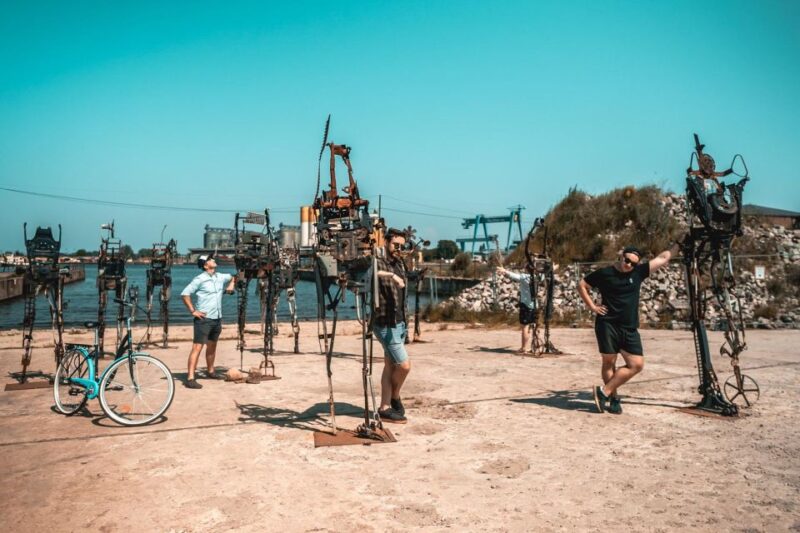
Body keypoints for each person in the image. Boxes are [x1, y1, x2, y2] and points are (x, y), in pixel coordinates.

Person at [577, 244, 676, 414]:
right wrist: (593, 307)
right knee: (609, 362)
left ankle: (603, 392)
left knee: (636, 364)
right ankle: (613, 398)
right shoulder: (605, 273)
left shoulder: (638, 272)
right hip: (607, 324)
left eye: (633, 263)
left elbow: (663, 258)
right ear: (621, 256)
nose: (628, 265)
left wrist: (680, 245)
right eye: (627, 260)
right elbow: (582, 285)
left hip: (629, 327)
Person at [373, 228, 411, 424]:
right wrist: (391, 276)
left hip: (399, 322)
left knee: (389, 366)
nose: (398, 248)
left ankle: (384, 407)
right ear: (386, 242)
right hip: (385, 323)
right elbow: (371, 271)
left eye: (401, 246)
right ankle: (395, 396)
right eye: (395, 244)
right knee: (404, 366)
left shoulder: (400, 263)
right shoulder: (379, 260)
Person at [180, 255, 235, 389]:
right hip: (203, 319)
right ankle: (190, 378)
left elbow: (235, 275)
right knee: (197, 348)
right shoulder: (200, 279)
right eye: (210, 259)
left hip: (217, 318)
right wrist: (193, 311)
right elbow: (185, 294)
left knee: (212, 346)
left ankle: (211, 371)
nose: (213, 260)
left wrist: (231, 284)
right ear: (205, 265)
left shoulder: (220, 277)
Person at [496, 265, 537, 354]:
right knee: (530, 327)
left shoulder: (525, 277)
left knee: (525, 327)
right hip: (533, 305)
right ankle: (531, 347)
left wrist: (504, 271)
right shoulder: (537, 278)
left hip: (525, 304)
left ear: (527, 269)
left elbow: (514, 276)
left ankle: (523, 348)